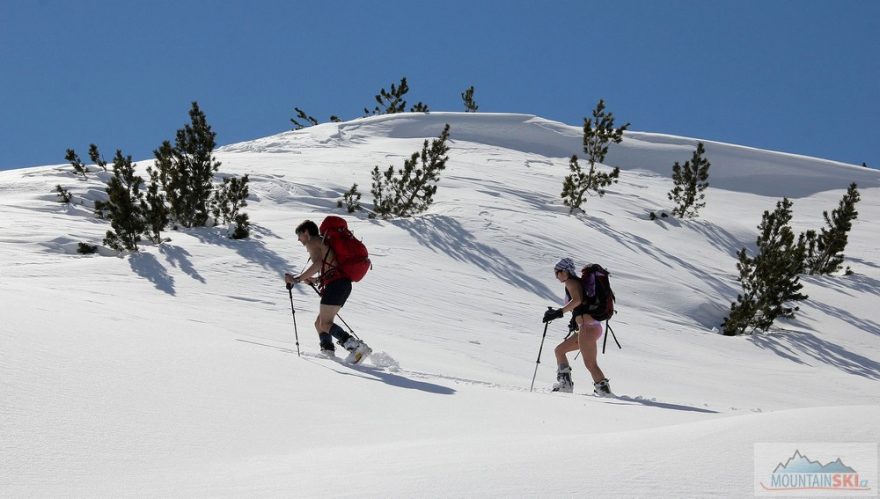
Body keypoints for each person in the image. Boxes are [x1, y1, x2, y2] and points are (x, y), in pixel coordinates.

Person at [284, 220, 371, 363]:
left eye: (299, 235)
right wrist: (315, 280)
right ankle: (328, 352)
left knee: (325, 323)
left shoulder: (313, 242)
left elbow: (317, 264)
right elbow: (328, 268)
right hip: (340, 285)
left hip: (337, 286)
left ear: (306, 232)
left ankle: (357, 347)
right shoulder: (322, 242)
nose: (299, 239)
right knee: (319, 323)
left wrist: (297, 279)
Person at [542, 257, 612, 396]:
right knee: (560, 351)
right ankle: (565, 385)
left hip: (588, 328)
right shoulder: (576, 282)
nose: (556, 276)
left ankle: (605, 392)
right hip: (587, 327)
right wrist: (574, 320)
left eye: (557, 273)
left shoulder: (570, 282)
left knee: (590, 363)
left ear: (564, 271)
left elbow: (577, 300)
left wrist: (559, 312)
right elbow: (581, 304)